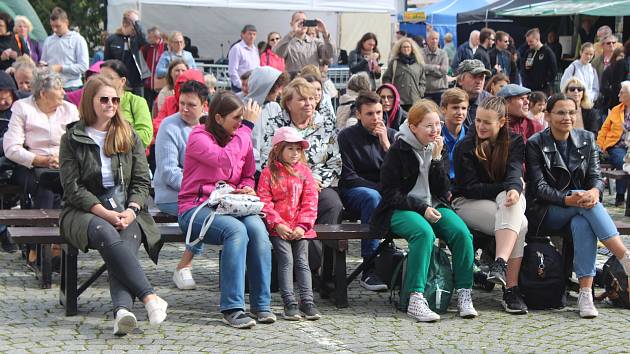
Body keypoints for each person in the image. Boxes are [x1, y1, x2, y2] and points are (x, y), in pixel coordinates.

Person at [58, 75, 167, 334]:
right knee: (106, 231)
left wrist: (131, 210)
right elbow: (72, 189)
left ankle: (122, 312)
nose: (110, 104)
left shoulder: (128, 135)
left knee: (125, 239)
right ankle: (150, 297)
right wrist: (105, 213)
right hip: (83, 210)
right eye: (104, 99)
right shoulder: (72, 138)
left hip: (126, 208)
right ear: (89, 101)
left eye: (115, 99)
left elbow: (141, 181)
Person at [370, 99, 477, 321]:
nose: (435, 130)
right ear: (413, 127)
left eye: (437, 124)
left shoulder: (439, 146)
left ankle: (465, 293)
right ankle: (415, 297)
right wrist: (422, 208)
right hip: (399, 209)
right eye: (429, 125)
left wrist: (437, 160)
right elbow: (390, 193)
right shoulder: (398, 150)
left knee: (462, 233)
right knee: (424, 233)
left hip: (434, 205)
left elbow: (444, 189)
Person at [526, 93, 630, 318]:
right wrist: (568, 199)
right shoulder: (535, 143)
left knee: (582, 222)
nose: (567, 117)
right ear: (548, 115)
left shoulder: (587, 138)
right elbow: (538, 188)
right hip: (545, 211)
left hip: (581, 208)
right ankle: (624, 256)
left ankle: (585, 294)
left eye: (572, 112)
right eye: (561, 112)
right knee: (583, 204)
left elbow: (595, 177)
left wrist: (594, 191)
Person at [178, 92, 274, 329]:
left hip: (232, 206)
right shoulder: (199, 136)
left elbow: (248, 175)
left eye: (243, 118)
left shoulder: (240, 137)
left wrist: (245, 188)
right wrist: (248, 127)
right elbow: (224, 161)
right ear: (218, 118)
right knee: (236, 231)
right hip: (196, 207)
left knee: (258, 229)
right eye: (236, 118)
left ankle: (261, 304)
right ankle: (232, 307)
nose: (241, 123)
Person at [452, 96, 528, 314]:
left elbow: (515, 170)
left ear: (502, 122)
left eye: (487, 122)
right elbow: (469, 188)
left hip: (500, 202)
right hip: (467, 202)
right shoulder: (465, 145)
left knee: (515, 203)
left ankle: (500, 264)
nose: (480, 126)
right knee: (519, 225)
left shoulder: (514, 141)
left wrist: (513, 188)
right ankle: (510, 289)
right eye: (477, 121)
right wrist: (508, 186)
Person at [262, 78, 343, 271]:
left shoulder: (326, 124)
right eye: (302, 99)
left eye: (311, 99)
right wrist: (298, 179)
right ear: (288, 103)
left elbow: (335, 161)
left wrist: (314, 179)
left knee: (333, 204)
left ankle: (318, 264)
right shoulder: (275, 123)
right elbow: (268, 158)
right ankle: (295, 262)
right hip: (283, 184)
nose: (308, 103)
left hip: (318, 183)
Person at [257, 127, 321, 320]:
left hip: (301, 229)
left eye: (298, 149)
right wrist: (277, 224)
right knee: (286, 261)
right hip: (280, 229)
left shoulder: (305, 173)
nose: (295, 153)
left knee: (302, 262)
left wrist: (303, 226)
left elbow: (310, 201)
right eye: (290, 149)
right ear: (278, 149)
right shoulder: (268, 173)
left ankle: (307, 302)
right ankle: (289, 302)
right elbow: (264, 201)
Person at [339, 91, 396, 291]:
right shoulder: (346, 137)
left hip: (385, 192)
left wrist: (387, 146)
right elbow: (348, 176)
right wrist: (381, 190)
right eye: (370, 114)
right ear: (359, 115)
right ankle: (368, 268)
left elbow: (402, 172)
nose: (376, 118)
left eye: (379, 113)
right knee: (372, 197)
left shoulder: (391, 135)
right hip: (356, 191)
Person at [153, 80, 208, 290]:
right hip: (171, 195)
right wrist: (200, 188)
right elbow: (168, 172)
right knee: (202, 214)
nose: (184, 108)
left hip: (202, 194)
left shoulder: (208, 125)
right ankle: (184, 266)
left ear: (204, 104)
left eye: (191, 105)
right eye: (181, 103)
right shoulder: (170, 126)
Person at [4, 69, 78, 210]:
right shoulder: (22, 108)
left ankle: (70, 227)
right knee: (45, 183)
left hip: (64, 165)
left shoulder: (70, 110)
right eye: (59, 89)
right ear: (43, 94)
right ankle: (44, 229)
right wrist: (42, 160)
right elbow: (11, 148)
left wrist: (63, 159)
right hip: (31, 167)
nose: (64, 92)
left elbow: (78, 144)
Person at [245, 66, 289, 173]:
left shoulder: (274, 107)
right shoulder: (244, 108)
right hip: (250, 166)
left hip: (272, 166)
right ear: (268, 87)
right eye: (278, 87)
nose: (280, 92)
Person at [99, 60, 153, 148]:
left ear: (122, 81)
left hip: (129, 156)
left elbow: (145, 136)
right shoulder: (95, 101)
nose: (104, 82)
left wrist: (114, 138)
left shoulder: (136, 101)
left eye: (110, 78)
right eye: (100, 78)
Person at [597, 81, 630, 207]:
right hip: (616, 145)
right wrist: (599, 146)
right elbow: (604, 129)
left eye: (622, 92)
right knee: (623, 162)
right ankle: (620, 197)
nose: (618, 94)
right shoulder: (616, 110)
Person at [40, 7, 89, 91]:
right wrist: (42, 66)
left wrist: (61, 68)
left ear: (66, 22)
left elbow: (84, 66)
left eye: (58, 26)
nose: (54, 29)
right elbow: (44, 62)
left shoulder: (78, 39)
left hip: (72, 86)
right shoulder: (48, 40)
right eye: (52, 26)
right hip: (52, 87)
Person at [105, 9, 148, 97]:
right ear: (125, 24)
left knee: (137, 106)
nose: (135, 30)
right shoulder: (112, 39)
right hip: (119, 80)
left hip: (136, 82)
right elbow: (107, 62)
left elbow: (145, 40)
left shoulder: (137, 38)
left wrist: (136, 22)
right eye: (134, 26)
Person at [154, 68, 205, 138]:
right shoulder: (169, 101)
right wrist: (168, 131)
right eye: (182, 103)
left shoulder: (205, 112)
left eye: (191, 105)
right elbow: (158, 122)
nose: (185, 109)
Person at [0, 70, 19, 253]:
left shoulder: (19, 109)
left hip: (12, 159)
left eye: (6, 98)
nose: (2, 103)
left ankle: (7, 232)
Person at [382, 37, 426, 112]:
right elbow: (386, 78)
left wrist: (420, 92)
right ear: (400, 49)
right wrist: (391, 92)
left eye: (408, 47)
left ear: (412, 48)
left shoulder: (418, 63)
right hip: (399, 99)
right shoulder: (395, 63)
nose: (406, 49)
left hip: (414, 98)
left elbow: (422, 81)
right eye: (404, 47)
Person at [439, 88, 469, 181]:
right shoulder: (435, 135)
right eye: (455, 107)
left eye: (464, 108)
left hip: (465, 188)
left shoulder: (471, 136)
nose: (460, 113)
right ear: (443, 109)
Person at [455, 59, 492, 128]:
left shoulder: (490, 101)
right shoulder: (450, 99)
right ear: (460, 80)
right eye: (474, 76)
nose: (479, 81)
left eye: (481, 77)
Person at [521, 28, 557, 94]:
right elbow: (523, 68)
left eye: (531, 41)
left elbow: (553, 70)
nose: (528, 44)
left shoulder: (547, 52)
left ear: (537, 39)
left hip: (542, 89)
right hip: (529, 88)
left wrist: (545, 82)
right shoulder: (528, 52)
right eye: (527, 41)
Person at [228, 25, 260, 93]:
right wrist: (241, 85)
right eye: (249, 34)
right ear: (242, 34)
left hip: (253, 87)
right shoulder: (237, 48)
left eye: (254, 34)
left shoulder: (255, 50)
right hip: (240, 88)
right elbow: (232, 71)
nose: (252, 37)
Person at [141, 26, 166, 112]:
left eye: (150, 37)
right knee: (147, 105)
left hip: (161, 83)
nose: (147, 39)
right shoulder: (146, 47)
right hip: (148, 82)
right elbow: (142, 61)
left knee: (160, 105)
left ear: (157, 37)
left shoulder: (165, 47)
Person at [422, 31, 449, 105]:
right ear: (427, 40)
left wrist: (427, 70)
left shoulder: (443, 53)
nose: (434, 41)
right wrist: (436, 67)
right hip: (425, 90)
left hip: (440, 90)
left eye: (436, 39)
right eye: (432, 39)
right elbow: (420, 68)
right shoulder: (421, 52)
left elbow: (444, 71)